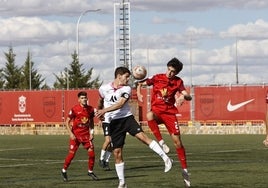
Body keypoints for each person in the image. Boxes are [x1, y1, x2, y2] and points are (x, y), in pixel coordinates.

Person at [95, 66, 173, 188]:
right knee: (117, 152)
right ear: (119, 76)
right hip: (114, 123)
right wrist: (99, 111)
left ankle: (166, 158)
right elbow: (100, 100)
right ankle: (122, 182)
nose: (128, 80)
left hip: (127, 118)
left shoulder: (126, 88)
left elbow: (120, 104)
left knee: (143, 137)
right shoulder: (103, 88)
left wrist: (104, 110)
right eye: (126, 77)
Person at [136, 57, 192, 187]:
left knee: (178, 142)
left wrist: (183, 96)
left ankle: (185, 171)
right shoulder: (157, 78)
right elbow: (140, 83)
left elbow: (188, 95)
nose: (169, 73)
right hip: (157, 112)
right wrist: (139, 94)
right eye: (169, 69)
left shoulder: (178, 82)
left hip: (170, 114)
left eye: (173, 71)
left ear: (176, 73)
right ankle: (161, 142)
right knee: (149, 115)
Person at [61, 91, 98, 181]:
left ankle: (90, 171)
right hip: (76, 136)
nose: (84, 99)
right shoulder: (74, 109)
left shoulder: (90, 109)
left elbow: (91, 122)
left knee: (92, 154)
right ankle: (64, 170)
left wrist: (92, 132)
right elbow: (67, 122)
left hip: (86, 136)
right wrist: (71, 133)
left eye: (85, 97)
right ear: (78, 100)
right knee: (71, 154)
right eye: (82, 98)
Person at [97, 98, 112, 171]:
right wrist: (100, 119)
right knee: (108, 140)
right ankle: (101, 159)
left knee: (112, 144)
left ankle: (106, 161)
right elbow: (99, 108)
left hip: (114, 122)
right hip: (106, 122)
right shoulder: (105, 98)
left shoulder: (117, 98)